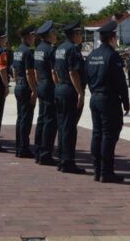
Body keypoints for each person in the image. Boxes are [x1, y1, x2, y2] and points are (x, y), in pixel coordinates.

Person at [87, 20, 130, 183]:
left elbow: (88, 78)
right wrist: (126, 102)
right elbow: (120, 81)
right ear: (112, 38)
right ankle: (107, 172)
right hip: (109, 100)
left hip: (95, 97)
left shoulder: (91, 55)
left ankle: (97, 170)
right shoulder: (112, 55)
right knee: (109, 135)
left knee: (97, 134)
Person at [53, 20, 86, 174]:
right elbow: (73, 72)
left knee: (62, 125)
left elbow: (55, 71)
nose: (81, 36)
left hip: (60, 88)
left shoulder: (60, 48)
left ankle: (62, 158)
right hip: (69, 91)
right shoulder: (73, 49)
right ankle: (68, 161)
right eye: (80, 33)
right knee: (69, 128)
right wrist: (80, 92)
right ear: (74, 34)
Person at [33, 21, 59, 166]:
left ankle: (38, 150)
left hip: (41, 84)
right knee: (50, 121)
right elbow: (54, 72)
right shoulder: (50, 50)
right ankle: (45, 154)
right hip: (49, 86)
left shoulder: (38, 49)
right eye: (54, 33)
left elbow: (36, 71)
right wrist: (58, 86)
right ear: (49, 35)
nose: (56, 35)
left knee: (42, 119)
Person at [12, 25, 37, 158]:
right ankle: (24, 148)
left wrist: (17, 83)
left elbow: (14, 70)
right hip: (26, 86)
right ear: (28, 37)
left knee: (20, 117)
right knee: (26, 119)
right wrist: (34, 90)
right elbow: (29, 73)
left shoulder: (17, 51)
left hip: (19, 85)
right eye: (33, 36)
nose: (34, 38)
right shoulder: (27, 52)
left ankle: (19, 146)